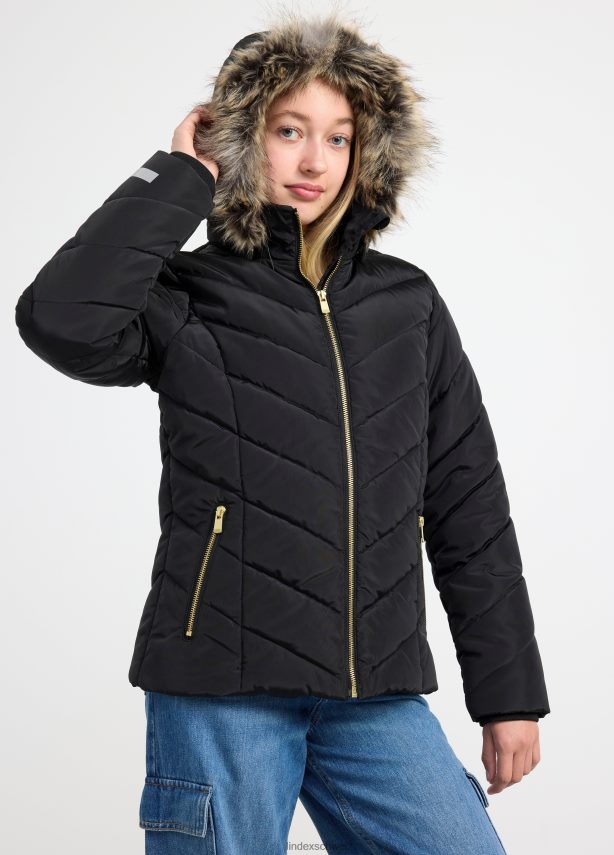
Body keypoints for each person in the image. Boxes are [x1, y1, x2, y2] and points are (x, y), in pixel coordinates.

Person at [14, 11, 551, 855]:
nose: (313, 162)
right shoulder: (185, 293)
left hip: (373, 694)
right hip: (221, 686)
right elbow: (61, 320)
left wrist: (507, 692)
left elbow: (467, 505)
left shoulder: (407, 304)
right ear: (238, 136)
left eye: (338, 138)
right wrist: (181, 175)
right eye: (287, 130)